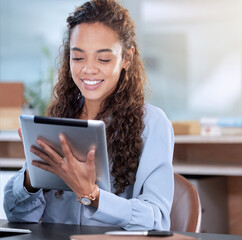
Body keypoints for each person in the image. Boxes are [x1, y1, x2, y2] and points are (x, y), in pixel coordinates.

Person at [4, 0, 174, 230]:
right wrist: (32, 177)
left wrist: (92, 195)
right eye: (78, 57)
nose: (89, 69)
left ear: (127, 58)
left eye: (103, 58)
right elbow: (16, 216)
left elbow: (158, 221)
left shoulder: (152, 124)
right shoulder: (59, 117)